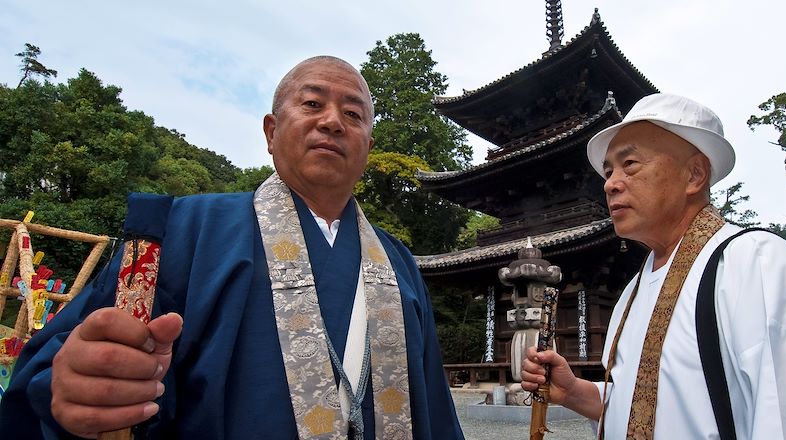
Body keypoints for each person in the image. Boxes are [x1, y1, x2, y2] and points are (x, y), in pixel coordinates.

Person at [0, 56, 464, 440]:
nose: (332, 122)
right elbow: (71, 354)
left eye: (353, 114)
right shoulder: (187, 228)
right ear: (270, 131)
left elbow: (435, 410)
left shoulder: (399, 262)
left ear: (368, 144)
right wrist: (79, 381)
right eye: (312, 103)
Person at [520, 93, 786, 439]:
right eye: (608, 171)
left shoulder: (758, 265)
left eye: (630, 165)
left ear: (694, 174)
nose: (610, 184)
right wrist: (575, 393)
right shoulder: (632, 292)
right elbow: (654, 409)